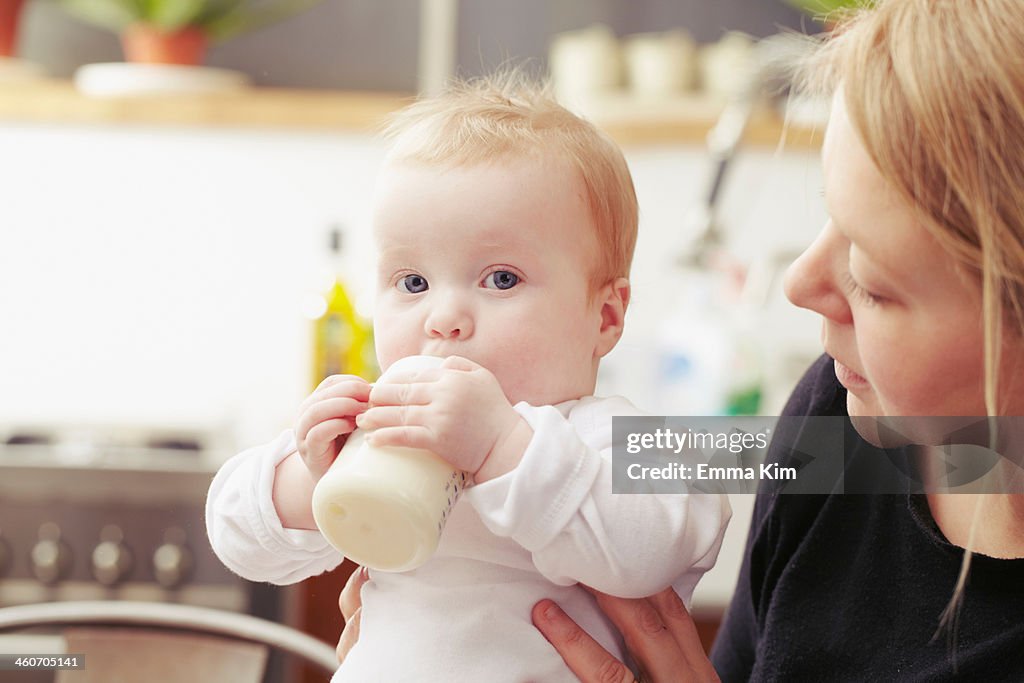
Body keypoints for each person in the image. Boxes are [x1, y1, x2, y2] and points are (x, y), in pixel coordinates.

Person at [339, 1, 1024, 680]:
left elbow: (677, 501)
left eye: (873, 281)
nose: (798, 282)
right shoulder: (834, 421)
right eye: (828, 213)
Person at [206, 73, 731, 682]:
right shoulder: (383, 432)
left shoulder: (610, 438)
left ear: (605, 316)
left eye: (501, 278)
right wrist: (309, 475)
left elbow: (647, 551)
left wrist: (501, 447)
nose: (444, 317)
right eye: (412, 282)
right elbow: (234, 535)